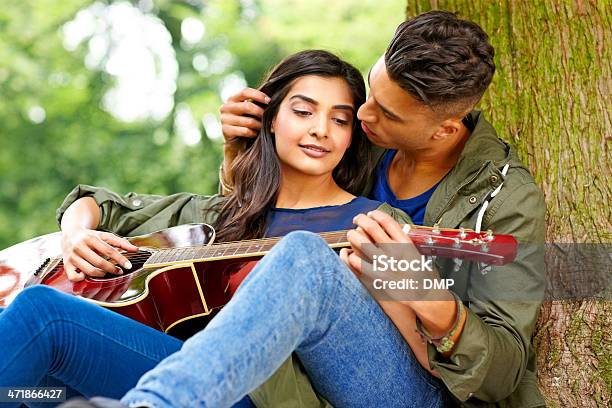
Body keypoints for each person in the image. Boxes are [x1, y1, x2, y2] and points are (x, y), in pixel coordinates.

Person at [0, 50, 447, 407]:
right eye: (303, 111)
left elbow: (414, 360)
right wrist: (76, 236)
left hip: (273, 398)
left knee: (46, 316)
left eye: (339, 119)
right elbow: (97, 202)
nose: (320, 131)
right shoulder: (217, 216)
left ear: (352, 137)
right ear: (271, 119)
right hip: (189, 379)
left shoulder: (376, 225)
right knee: (39, 387)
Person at [218, 10, 546, 408]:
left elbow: (503, 373)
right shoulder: (359, 141)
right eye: (372, 92)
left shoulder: (507, 200)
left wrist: (423, 291)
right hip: (298, 367)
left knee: (303, 257)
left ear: (444, 129)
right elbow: (284, 206)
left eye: (387, 113)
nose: (361, 114)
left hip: (410, 386)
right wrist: (242, 148)